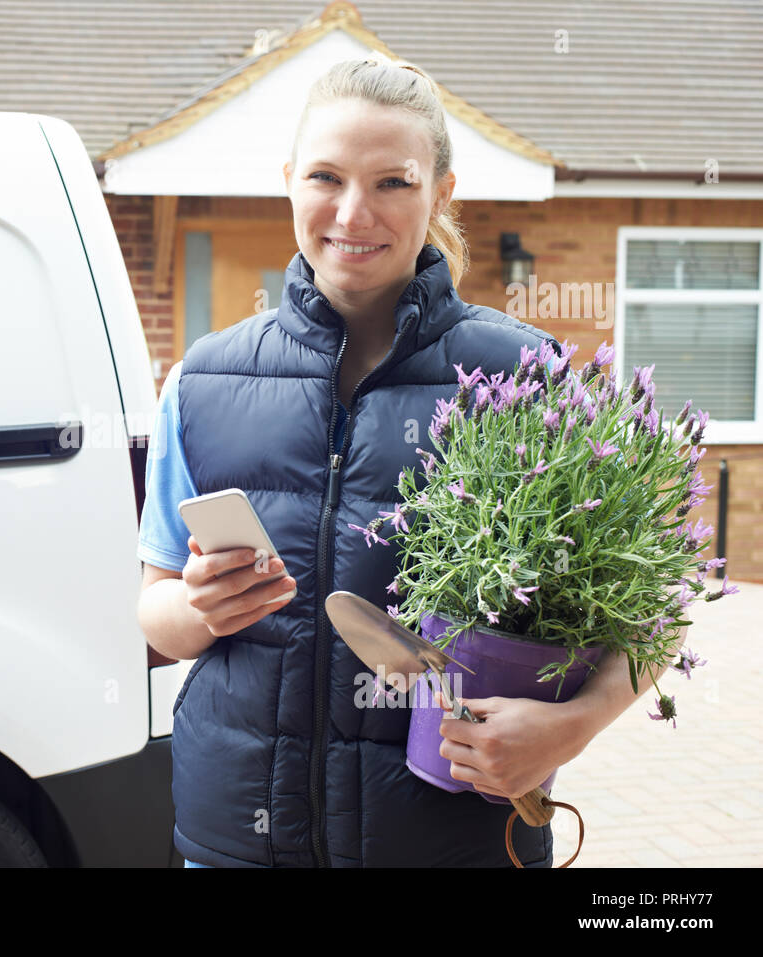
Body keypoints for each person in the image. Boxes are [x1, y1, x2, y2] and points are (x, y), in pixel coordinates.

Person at [137, 57, 659, 868]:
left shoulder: (527, 378)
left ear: (441, 192)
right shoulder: (202, 380)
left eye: (393, 182)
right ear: (287, 182)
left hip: (451, 839)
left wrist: (571, 725)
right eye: (325, 176)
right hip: (237, 840)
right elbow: (156, 615)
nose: (354, 212)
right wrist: (202, 607)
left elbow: (652, 616)